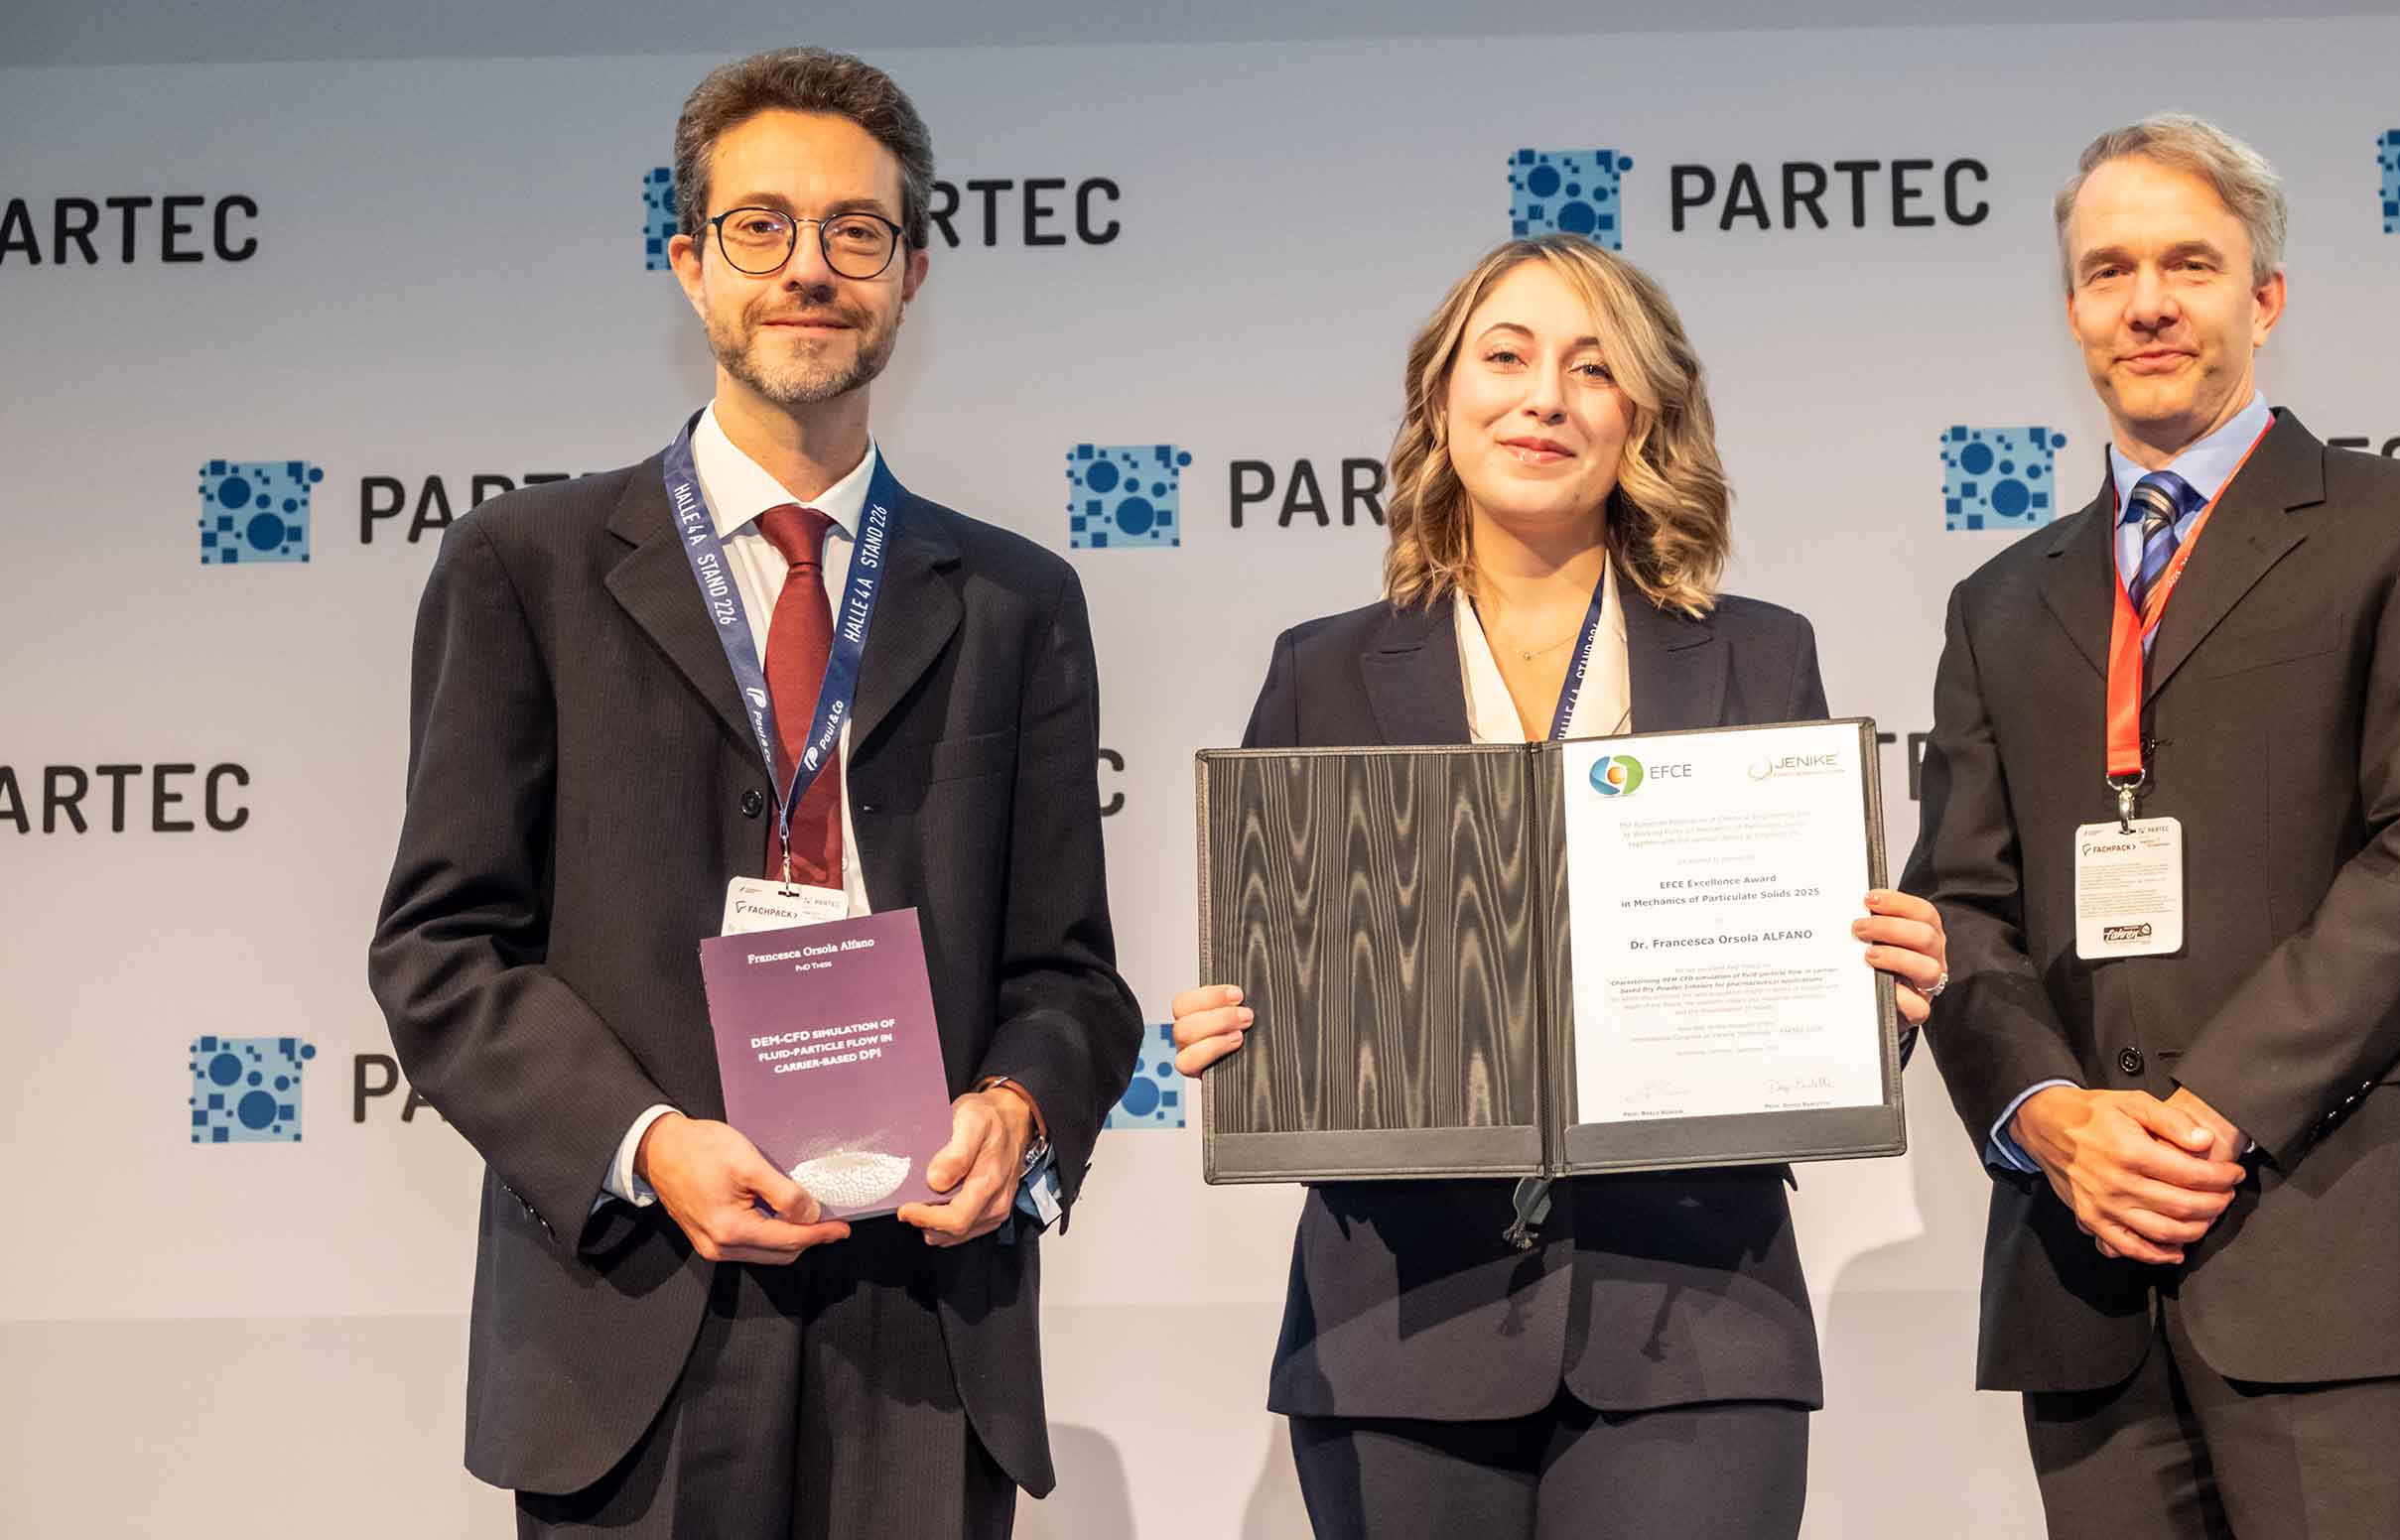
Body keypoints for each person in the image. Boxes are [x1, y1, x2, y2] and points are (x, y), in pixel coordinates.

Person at [367, 47, 1140, 1540]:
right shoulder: (526, 568)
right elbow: (441, 948)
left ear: (915, 271)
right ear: (687, 262)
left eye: (857, 232)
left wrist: (1019, 1105)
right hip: (635, 1307)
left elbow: (1069, 973)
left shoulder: (1015, 598)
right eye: (760, 227)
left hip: (923, 1322)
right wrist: (648, 1143)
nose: (810, 269)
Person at [1169, 233, 1949, 1538]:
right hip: (1402, 1326)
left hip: (1697, 1320)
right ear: (1440, 399)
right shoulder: (1322, 669)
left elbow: (1808, 987)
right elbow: (1283, 981)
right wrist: (1247, 1041)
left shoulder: (1758, 655)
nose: (1546, 398)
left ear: (1642, 416)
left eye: (1594, 369)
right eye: (1509, 357)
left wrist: (1882, 998)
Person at [1902, 112, 2400, 1538]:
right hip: (2084, 1264)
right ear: (2072, 308)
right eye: (2109, 269)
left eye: (2190, 264)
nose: (2148, 303)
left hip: (2337, 1239)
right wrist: (2050, 1119)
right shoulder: (2003, 600)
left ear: (2266, 297)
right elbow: (1958, 900)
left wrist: (2209, 1117)